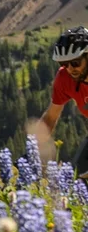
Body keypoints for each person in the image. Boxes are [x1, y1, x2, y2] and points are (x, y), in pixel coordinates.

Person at [36, 27, 88, 178]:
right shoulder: (65, 78)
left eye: (75, 62)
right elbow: (51, 117)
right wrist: (32, 148)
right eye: (64, 63)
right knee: (75, 180)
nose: (70, 68)